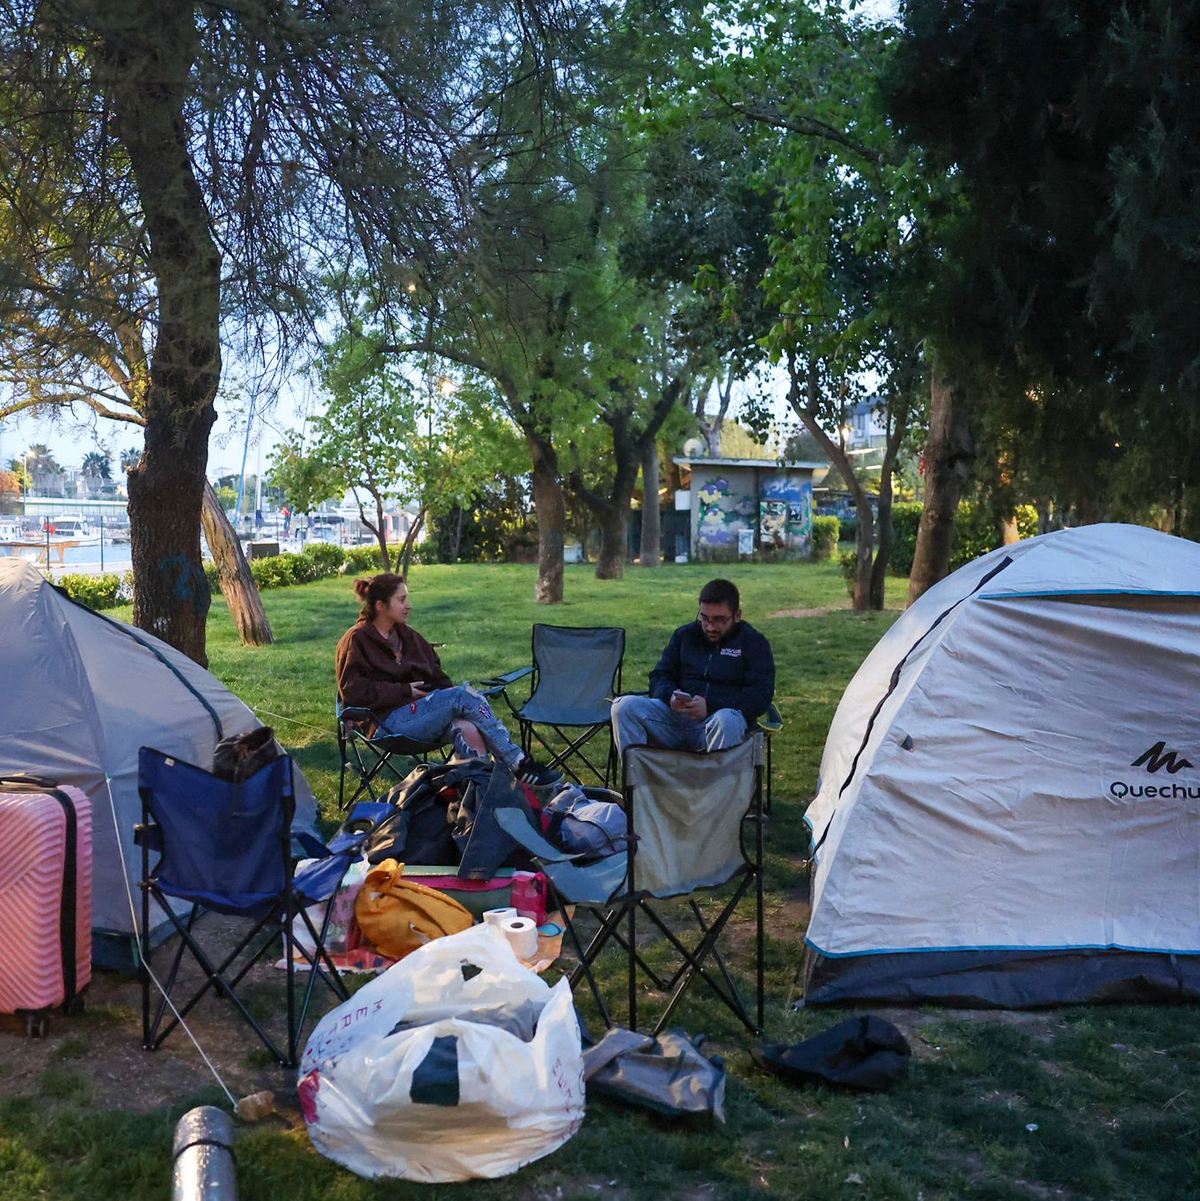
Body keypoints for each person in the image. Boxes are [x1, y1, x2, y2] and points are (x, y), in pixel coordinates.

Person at [335, 573, 560, 785]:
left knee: (467, 726)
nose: (409, 605)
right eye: (401, 600)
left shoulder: (407, 636)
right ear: (381, 606)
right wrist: (404, 691)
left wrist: (453, 698)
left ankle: (481, 794)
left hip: (421, 717)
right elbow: (353, 693)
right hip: (384, 724)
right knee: (463, 696)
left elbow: (436, 675)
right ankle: (519, 765)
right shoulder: (357, 639)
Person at [611, 578, 774, 755]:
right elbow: (660, 675)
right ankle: (638, 779)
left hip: (718, 723)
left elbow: (760, 695)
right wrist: (670, 697)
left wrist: (711, 706)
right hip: (675, 720)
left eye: (719, 620)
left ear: (737, 615)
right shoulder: (685, 636)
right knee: (623, 706)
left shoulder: (753, 642)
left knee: (728, 719)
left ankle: (716, 781)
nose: (710, 627)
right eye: (705, 619)